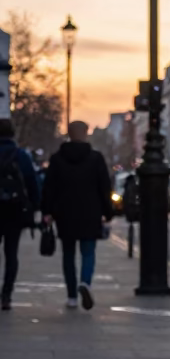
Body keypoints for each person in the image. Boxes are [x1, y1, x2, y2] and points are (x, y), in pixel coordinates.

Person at [42, 120, 113, 310]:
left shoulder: (57, 159)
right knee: (88, 252)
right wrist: (107, 212)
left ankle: (72, 295)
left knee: (68, 254)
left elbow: (49, 188)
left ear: (69, 133)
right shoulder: (96, 158)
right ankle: (85, 282)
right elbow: (104, 187)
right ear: (86, 133)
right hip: (91, 212)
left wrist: (47, 211)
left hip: (64, 213)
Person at [0, 118, 41, 311]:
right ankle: (6, 295)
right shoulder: (20, 155)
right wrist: (35, 206)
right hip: (14, 210)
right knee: (11, 253)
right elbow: (32, 182)